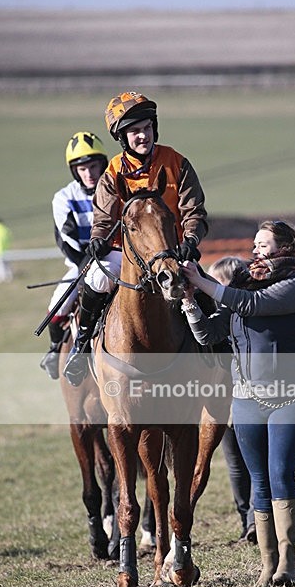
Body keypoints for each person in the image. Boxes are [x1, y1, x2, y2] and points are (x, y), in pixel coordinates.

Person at [180, 220, 295, 587]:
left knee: (279, 474)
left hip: (292, 397)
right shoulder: (242, 286)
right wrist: (191, 302)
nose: (255, 250)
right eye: (254, 244)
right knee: (258, 481)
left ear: (285, 247)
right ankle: (266, 564)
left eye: (264, 244)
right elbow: (210, 333)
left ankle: (288, 562)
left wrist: (202, 280)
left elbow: (251, 305)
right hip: (246, 400)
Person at [63, 91, 208, 387]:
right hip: (126, 254)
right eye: (134, 131)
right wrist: (98, 239)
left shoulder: (177, 163)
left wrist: (190, 241)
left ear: (154, 127)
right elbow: (103, 216)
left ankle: (218, 356)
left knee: (205, 289)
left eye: (146, 128)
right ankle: (80, 347)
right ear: (123, 137)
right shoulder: (112, 172)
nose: (142, 136)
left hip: (172, 251)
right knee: (98, 281)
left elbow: (194, 211)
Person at [40, 131, 109, 380]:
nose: (89, 173)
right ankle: (55, 350)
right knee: (57, 305)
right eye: (82, 168)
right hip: (81, 264)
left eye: (93, 166)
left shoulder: (115, 189)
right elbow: (67, 242)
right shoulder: (63, 198)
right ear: (74, 171)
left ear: (103, 163)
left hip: (118, 260)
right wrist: (87, 264)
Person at [208, 256, 256, 544]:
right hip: (225, 403)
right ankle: (246, 521)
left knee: (252, 464)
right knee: (236, 465)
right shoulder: (217, 317)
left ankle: (255, 520)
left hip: (249, 401)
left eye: (216, 284)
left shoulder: (244, 314)